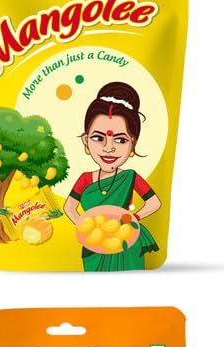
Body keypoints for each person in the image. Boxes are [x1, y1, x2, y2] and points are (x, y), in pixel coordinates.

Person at [63, 82, 161, 271]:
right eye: (98, 138)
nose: (109, 148)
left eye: (120, 139)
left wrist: (134, 218)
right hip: (93, 244)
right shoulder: (85, 179)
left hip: (127, 241)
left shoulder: (131, 177)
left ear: (132, 143)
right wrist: (86, 229)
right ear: (86, 139)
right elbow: (69, 207)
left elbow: (154, 202)